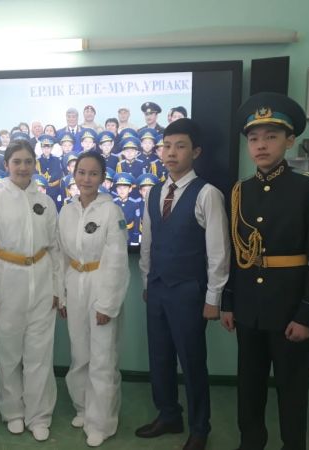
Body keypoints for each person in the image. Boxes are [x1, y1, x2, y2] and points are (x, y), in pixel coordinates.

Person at [222, 92, 309, 450]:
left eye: (271, 136)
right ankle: (251, 442)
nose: (261, 145)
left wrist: (308, 315)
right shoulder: (241, 190)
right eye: (254, 138)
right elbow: (236, 253)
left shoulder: (307, 186)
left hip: (290, 309)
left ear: (290, 140)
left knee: (292, 387)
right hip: (249, 308)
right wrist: (229, 303)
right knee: (249, 384)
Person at [136, 118, 230, 450]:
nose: (171, 153)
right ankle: (168, 415)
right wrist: (147, 281)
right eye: (166, 146)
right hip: (158, 288)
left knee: (192, 362)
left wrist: (213, 298)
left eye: (180, 146)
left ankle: (200, 427)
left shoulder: (207, 194)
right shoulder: (154, 192)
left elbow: (218, 251)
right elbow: (148, 242)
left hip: (190, 291)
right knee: (159, 357)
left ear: (196, 152)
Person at [0, 140, 61, 441]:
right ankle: (12, 411)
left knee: (40, 355)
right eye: (17, 162)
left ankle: (39, 415)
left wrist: (58, 289)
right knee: (9, 354)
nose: (23, 167)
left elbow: (55, 249)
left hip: (42, 283)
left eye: (28, 161)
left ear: (34, 164)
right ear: (7, 165)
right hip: (7, 284)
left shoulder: (46, 202)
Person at [57, 151, 130, 447]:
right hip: (74, 283)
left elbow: (117, 260)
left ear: (102, 178)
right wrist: (62, 295)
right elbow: (61, 256)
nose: (86, 179)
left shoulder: (111, 211)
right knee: (80, 353)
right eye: (81, 172)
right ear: (74, 175)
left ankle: (101, 422)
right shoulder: (67, 211)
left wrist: (108, 304)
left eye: (93, 173)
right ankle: (83, 407)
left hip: (100, 283)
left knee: (102, 357)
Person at [35, 134, 64, 210]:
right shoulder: (37, 161)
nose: (46, 150)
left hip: (55, 190)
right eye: (44, 147)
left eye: (49, 147)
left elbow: (59, 175)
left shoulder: (57, 160)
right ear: (41, 148)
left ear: (52, 148)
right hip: (42, 191)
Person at [112, 172, 140, 246]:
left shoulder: (134, 204)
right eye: (119, 188)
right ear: (116, 189)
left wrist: (135, 239)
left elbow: (137, 222)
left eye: (125, 188)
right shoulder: (112, 203)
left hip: (129, 234)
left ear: (130, 189)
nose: (122, 190)